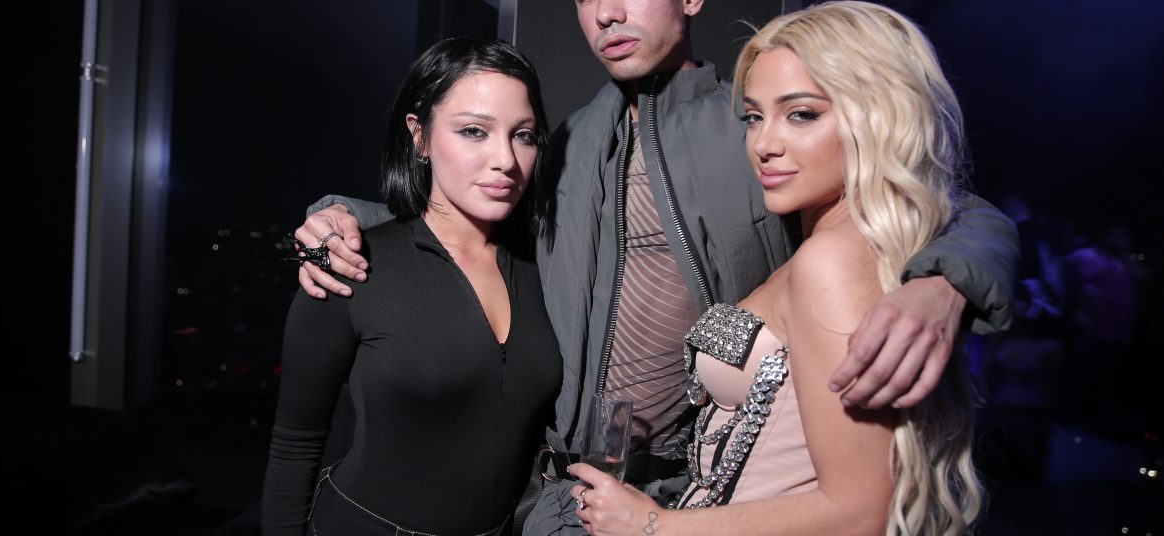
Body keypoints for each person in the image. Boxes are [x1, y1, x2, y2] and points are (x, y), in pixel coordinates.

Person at [291, 0, 1017, 533]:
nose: (606, 13)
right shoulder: (566, 143)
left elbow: (941, 201)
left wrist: (944, 283)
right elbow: (465, 214)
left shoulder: (754, 127)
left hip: (701, 498)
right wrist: (342, 215)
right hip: (561, 497)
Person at [569, 3, 984, 534]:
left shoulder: (833, 261)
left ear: (877, 117)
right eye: (754, 117)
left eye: (802, 114)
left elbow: (861, 512)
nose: (764, 144)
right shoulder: (828, 242)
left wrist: (651, 524)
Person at [261, 37, 562, 535]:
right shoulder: (350, 265)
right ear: (419, 136)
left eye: (523, 135)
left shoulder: (547, 271)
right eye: (473, 131)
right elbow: (294, 444)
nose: (505, 160)